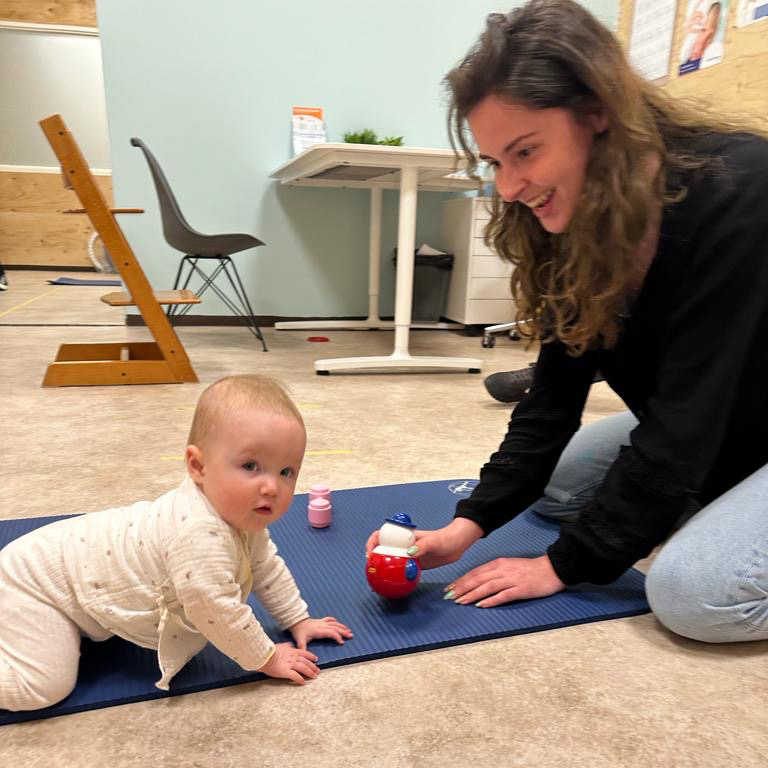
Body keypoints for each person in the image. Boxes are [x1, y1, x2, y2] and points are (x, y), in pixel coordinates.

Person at [368, 0, 768, 643]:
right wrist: (465, 526)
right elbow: (551, 402)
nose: (509, 186)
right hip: (715, 419)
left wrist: (561, 566)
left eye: (524, 152)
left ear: (598, 112)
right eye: (496, 161)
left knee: (694, 595)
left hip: (725, 418)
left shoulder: (741, 188)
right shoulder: (570, 219)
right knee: (559, 488)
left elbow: (686, 421)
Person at [0, 374, 353, 712]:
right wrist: (267, 657)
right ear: (197, 466)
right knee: (41, 688)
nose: (271, 486)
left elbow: (266, 567)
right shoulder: (198, 535)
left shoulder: (242, 515)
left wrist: (297, 618)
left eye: (286, 471)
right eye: (250, 465)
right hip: (33, 586)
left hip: (68, 578)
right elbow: (217, 611)